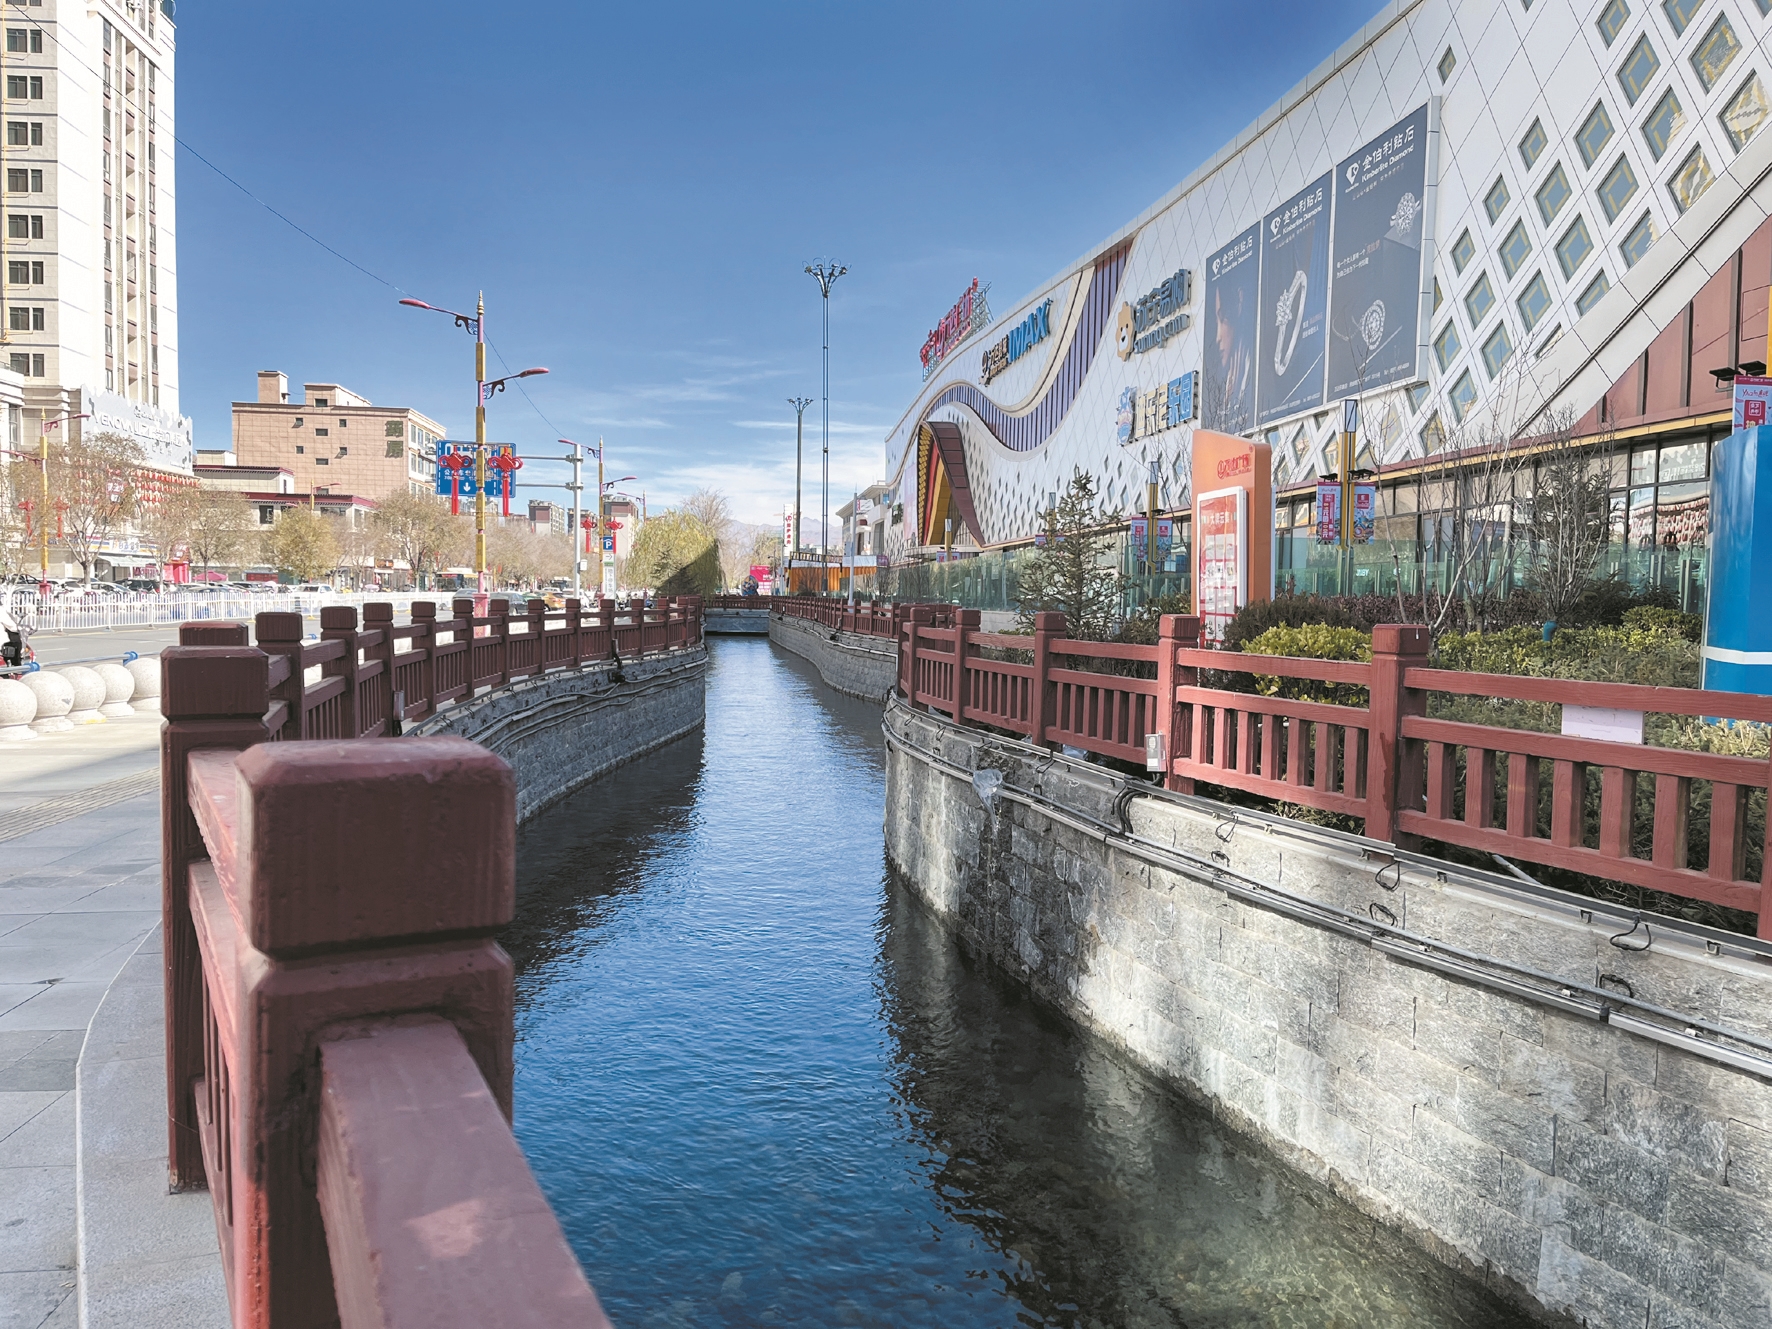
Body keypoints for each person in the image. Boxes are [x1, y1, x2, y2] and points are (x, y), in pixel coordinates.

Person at [0, 597, 29, 669]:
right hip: (3, 643)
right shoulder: (1, 611)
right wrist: (20, 628)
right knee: (16, 641)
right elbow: (12, 626)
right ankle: (16, 666)